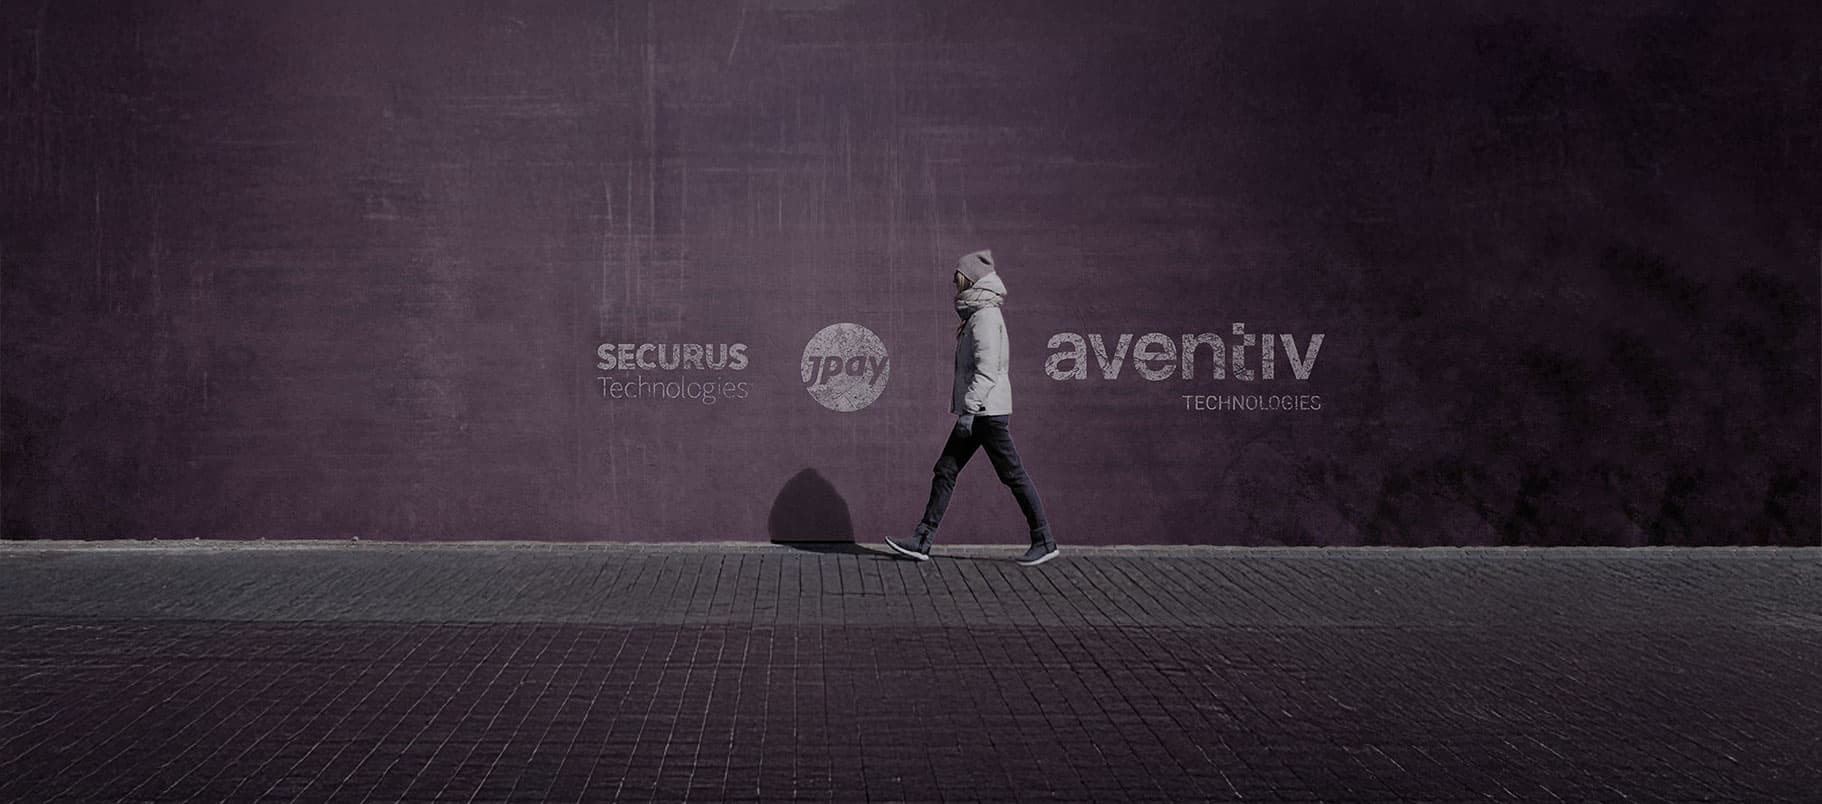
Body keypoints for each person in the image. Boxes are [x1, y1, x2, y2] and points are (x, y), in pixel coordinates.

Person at [887, 249, 1059, 566]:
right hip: (981, 410)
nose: (954, 285)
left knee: (1012, 475)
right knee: (946, 470)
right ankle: (922, 540)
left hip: (985, 413)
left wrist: (968, 409)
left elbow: (987, 370)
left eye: (957, 279)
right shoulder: (978, 316)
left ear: (970, 280)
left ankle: (1045, 540)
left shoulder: (985, 318)